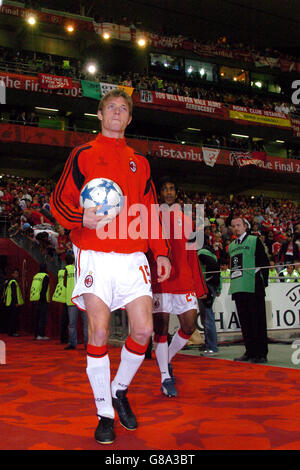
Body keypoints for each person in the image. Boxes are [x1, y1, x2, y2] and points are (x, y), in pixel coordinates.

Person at [50, 89, 171, 445]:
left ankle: (120, 389)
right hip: (95, 254)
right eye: (111, 108)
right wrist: (79, 217)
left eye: (124, 109)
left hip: (133, 256)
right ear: (100, 116)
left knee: (144, 330)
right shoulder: (83, 155)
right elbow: (59, 201)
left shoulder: (141, 163)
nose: (118, 112)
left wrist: (161, 252)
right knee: (99, 333)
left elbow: (150, 213)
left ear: (129, 119)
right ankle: (104, 412)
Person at [149, 177, 207, 397]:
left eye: (172, 188)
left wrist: (198, 284)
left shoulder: (190, 220)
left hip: (183, 280)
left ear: (176, 192)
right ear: (160, 194)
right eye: (164, 189)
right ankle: (165, 376)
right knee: (161, 328)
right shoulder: (151, 218)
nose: (169, 192)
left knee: (190, 326)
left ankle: (166, 359)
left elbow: (193, 254)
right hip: (160, 280)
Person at [229, 217, 269, 364]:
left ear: (245, 226)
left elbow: (263, 262)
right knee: (245, 322)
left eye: (239, 225)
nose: (236, 228)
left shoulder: (254, 240)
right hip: (239, 288)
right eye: (233, 226)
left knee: (257, 321)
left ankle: (261, 354)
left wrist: (262, 283)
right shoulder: (231, 245)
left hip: (253, 287)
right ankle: (250, 351)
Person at [198, 242, 221, 356]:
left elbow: (214, 268)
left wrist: (206, 282)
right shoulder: (212, 254)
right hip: (211, 287)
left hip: (206, 288)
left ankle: (212, 347)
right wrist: (218, 287)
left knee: (207, 317)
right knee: (207, 316)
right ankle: (209, 345)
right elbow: (217, 270)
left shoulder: (201, 253)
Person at [64, 253, 88, 350]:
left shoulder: (67, 269)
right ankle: (87, 344)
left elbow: (64, 283)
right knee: (85, 323)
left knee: (72, 324)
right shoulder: (82, 269)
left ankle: (72, 343)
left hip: (73, 299)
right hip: (82, 299)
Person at [30, 263, 50, 340]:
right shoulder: (45, 276)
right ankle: (41, 335)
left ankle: (36, 335)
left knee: (37, 318)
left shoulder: (36, 276)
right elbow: (44, 289)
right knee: (42, 318)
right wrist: (43, 300)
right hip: (42, 299)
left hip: (34, 298)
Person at [4, 269, 24, 336]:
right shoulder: (13, 282)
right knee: (13, 318)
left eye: (17, 273)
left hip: (9, 302)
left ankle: (10, 332)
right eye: (15, 273)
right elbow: (14, 293)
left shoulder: (9, 281)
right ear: (12, 274)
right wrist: (16, 302)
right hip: (12, 303)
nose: (17, 275)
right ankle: (12, 332)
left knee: (11, 318)